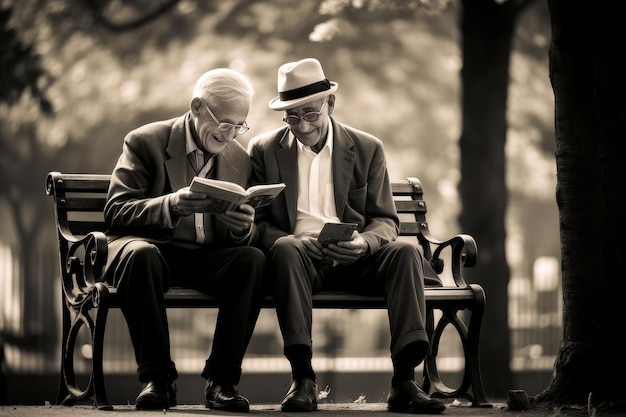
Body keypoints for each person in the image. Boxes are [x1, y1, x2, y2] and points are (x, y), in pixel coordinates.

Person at [248, 58, 446, 414]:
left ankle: (404, 380)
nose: (302, 125)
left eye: (309, 113)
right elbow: (256, 223)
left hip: (358, 260)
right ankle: (302, 379)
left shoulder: (367, 148)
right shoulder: (264, 150)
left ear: (330, 104)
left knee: (405, 253)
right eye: (292, 117)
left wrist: (364, 243)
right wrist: (289, 239)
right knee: (287, 247)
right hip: (299, 261)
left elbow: (385, 220)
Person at [103, 68, 265, 412]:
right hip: (152, 253)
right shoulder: (145, 141)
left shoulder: (238, 157)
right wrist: (170, 204)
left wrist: (241, 227)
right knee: (140, 255)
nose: (231, 133)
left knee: (252, 260)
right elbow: (116, 211)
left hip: (206, 257)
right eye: (224, 123)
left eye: (240, 125)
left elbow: (239, 239)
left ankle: (222, 382)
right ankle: (157, 379)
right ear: (196, 107)